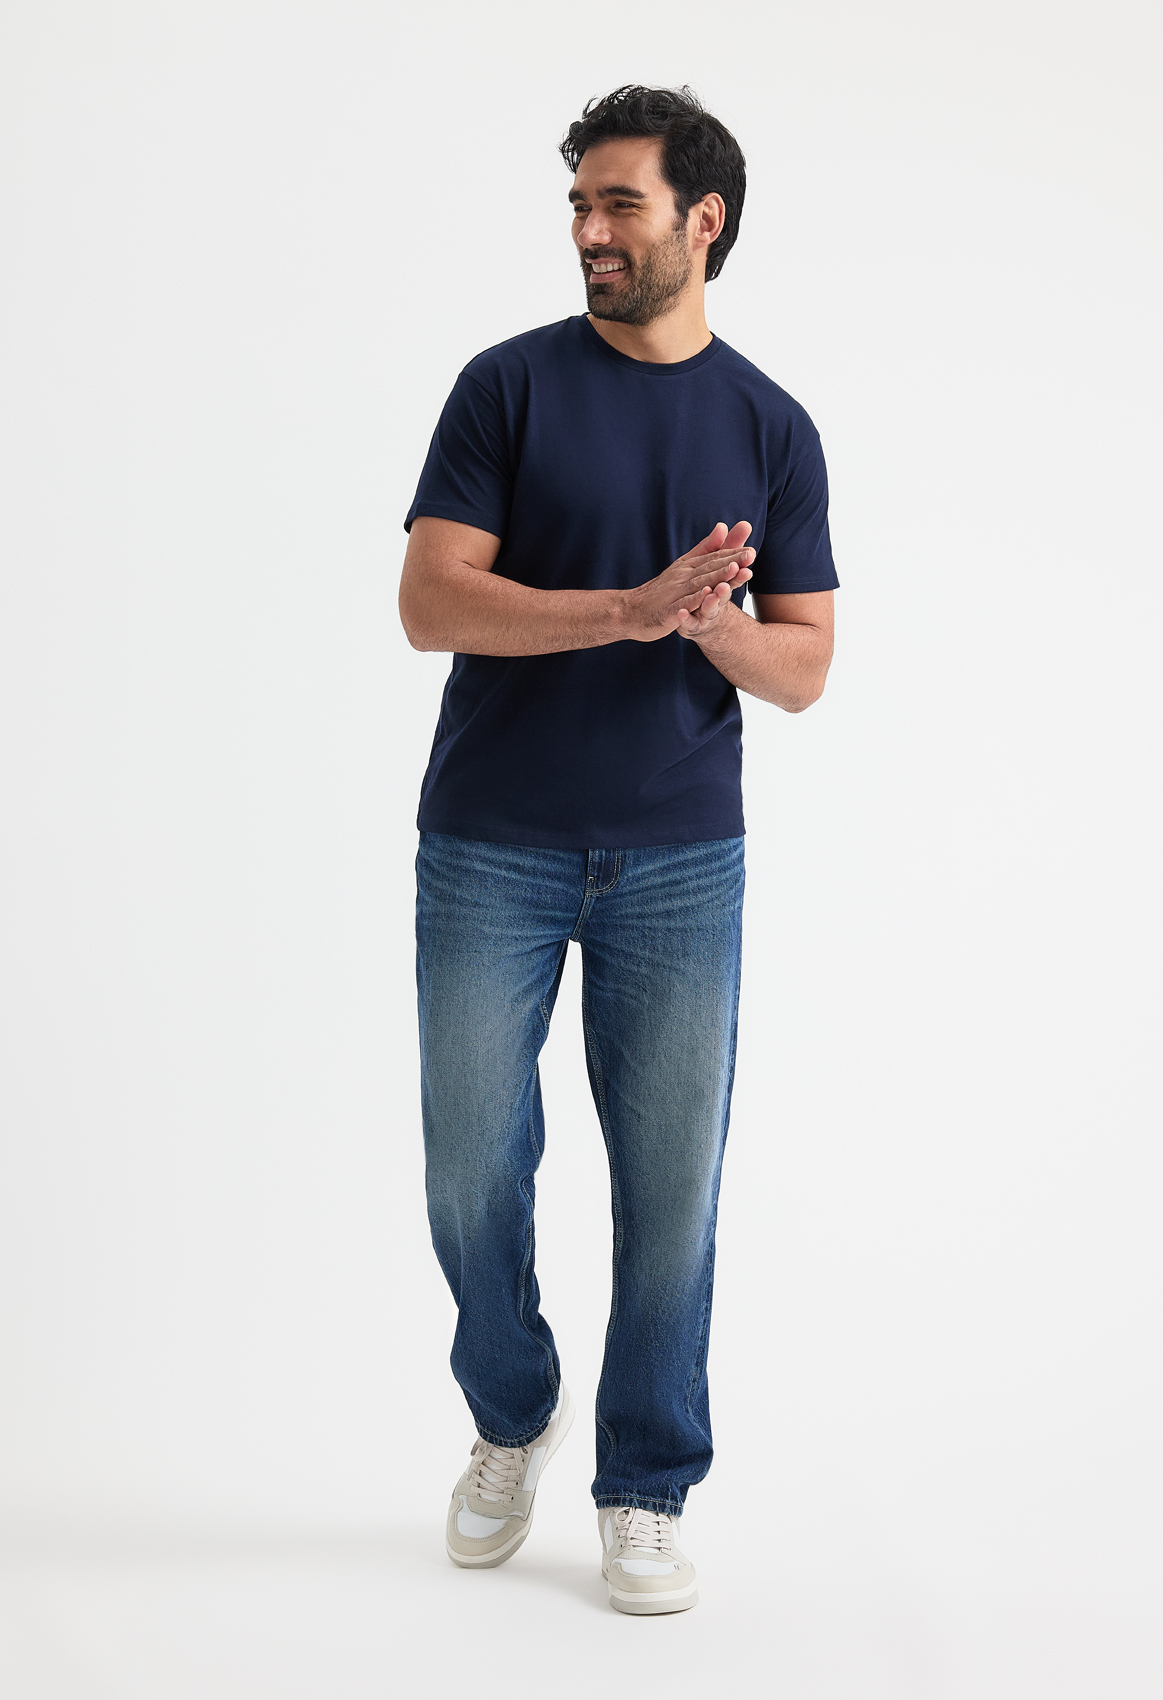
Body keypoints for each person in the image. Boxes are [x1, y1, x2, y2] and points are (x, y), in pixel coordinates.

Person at [398, 84, 837, 1615]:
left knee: (671, 1190)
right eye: (580, 204)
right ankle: (513, 1408)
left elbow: (805, 667)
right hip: (491, 842)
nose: (590, 229)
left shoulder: (772, 425)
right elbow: (430, 604)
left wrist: (710, 628)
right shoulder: (506, 387)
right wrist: (627, 611)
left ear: (702, 221)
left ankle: (646, 1485)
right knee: (471, 1163)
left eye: (619, 204)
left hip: (678, 862)